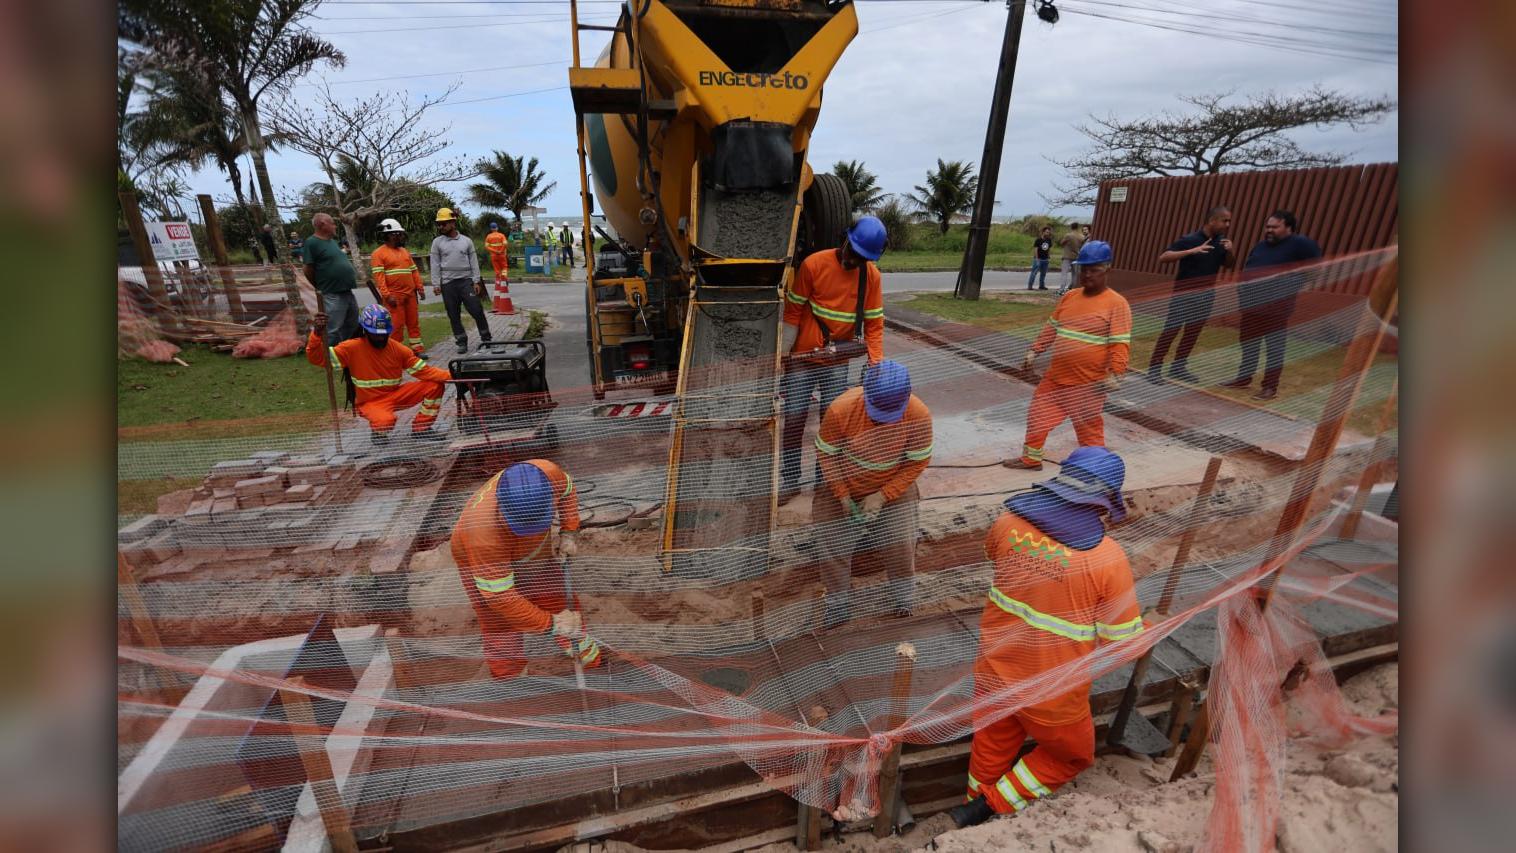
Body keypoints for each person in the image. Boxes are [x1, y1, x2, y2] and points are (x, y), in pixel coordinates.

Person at [949, 446, 1144, 828]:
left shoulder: (1007, 524)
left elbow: (995, 557)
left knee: (989, 749)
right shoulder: (1107, 559)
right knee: (1071, 757)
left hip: (994, 670)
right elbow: (1122, 641)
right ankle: (991, 807)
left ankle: (973, 806)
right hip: (1052, 693)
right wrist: (1150, 628)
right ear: (1102, 501)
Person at [450, 460, 602, 680]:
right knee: (500, 626)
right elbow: (501, 597)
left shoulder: (548, 474)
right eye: (522, 527)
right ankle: (512, 681)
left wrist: (569, 531)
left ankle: (592, 663)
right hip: (486, 562)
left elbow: (568, 490)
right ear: (501, 507)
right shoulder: (482, 537)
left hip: (535, 556)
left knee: (563, 608)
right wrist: (551, 623)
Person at [813, 360, 933, 628]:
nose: (881, 422)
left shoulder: (918, 415)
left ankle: (903, 598)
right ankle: (837, 606)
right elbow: (827, 455)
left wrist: (881, 496)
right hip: (845, 481)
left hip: (892, 485)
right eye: (877, 414)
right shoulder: (841, 409)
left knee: (901, 542)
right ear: (865, 392)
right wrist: (843, 495)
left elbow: (916, 463)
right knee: (832, 545)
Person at [780, 215, 888, 498]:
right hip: (802, 361)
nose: (853, 261)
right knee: (793, 421)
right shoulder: (814, 265)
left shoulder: (871, 278)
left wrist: (875, 365)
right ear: (845, 238)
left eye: (862, 258)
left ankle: (823, 482)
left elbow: (875, 325)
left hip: (836, 364)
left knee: (832, 426)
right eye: (853, 252)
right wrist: (784, 354)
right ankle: (790, 481)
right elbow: (792, 313)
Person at [1005, 240, 1131, 470]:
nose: (1088, 275)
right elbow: (1051, 327)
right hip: (1055, 378)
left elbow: (1119, 344)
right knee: (1038, 416)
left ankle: (1096, 470)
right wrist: (1034, 350)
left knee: (1088, 429)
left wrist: (1116, 374)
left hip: (1088, 384)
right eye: (1084, 269)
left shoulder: (1117, 304)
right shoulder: (1070, 297)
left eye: (1094, 270)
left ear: (1107, 269)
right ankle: (1031, 459)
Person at [306, 304, 451, 444]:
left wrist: (455, 375)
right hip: (370, 402)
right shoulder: (351, 348)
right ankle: (378, 431)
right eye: (376, 335)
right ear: (365, 330)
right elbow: (318, 358)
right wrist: (317, 334)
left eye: (384, 334)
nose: (381, 338)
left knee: (434, 385)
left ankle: (421, 428)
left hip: (395, 395)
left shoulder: (399, 349)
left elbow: (426, 372)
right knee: (386, 421)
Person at [1220, 210, 1323, 400]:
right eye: (1268, 226)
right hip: (1252, 305)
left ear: (1289, 228)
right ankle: (1243, 378)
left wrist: (1291, 285)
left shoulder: (1302, 244)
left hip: (1276, 308)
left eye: (1274, 227)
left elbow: (1315, 270)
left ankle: (1270, 387)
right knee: (1249, 343)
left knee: (1274, 347)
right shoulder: (1261, 246)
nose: (1269, 230)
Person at [1147, 205, 1235, 384]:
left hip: (1205, 296)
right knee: (1171, 331)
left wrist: (1230, 251)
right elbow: (1164, 257)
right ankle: (1155, 368)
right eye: (1224, 221)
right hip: (1183, 295)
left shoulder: (1221, 242)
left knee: (1192, 333)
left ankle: (1178, 367)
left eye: (1229, 221)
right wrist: (1191, 251)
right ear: (1212, 220)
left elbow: (1229, 265)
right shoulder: (1190, 239)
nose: (1227, 224)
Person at [429, 207, 493, 352]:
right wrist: (436, 283)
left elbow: (474, 262)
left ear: (453, 223)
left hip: (466, 282)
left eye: (444, 223)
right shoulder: (437, 243)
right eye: (439, 224)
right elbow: (435, 264)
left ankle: (486, 339)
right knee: (453, 314)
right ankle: (461, 341)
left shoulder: (466, 241)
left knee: (477, 310)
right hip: (447, 284)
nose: (441, 227)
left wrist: (476, 281)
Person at [370, 218, 427, 354]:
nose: (401, 236)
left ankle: (417, 350)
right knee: (396, 326)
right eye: (398, 234)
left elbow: (414, 271)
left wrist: (420, 288)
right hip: (394, 297)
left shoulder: (404, 252)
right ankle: (396, 352)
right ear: (390, 235)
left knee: (413, 323)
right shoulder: (378, 254)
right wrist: (387, 295)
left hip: (410, 295)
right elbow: (379, 278)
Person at [303, 212, 360, 345]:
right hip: (332, 293)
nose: (335, 226)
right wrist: (319, 286)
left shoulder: (332, 242)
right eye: (332, 223)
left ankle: (348, 354)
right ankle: (330, 358)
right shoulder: (312, 242)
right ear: (323, 225)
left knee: (352, 326)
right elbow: (307, 269)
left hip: (347, 291)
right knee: (332, 329)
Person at [1056, 222, 1085, 295]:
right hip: (1076, 256)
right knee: (1075, 274)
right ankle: (1074, 289)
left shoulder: (1068, 235)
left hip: (1067, 256)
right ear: (1077, 227)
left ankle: (1062, 289)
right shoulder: (1081, 236)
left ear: (1071, 227)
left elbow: (1062, 243)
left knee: (1064, 273)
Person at [1028, 226, 1053, 290]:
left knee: (1043, 274)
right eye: (1046, 232)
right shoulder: (1038, 240)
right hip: (1038, 259)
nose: (1048, 234)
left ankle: (1041, 285)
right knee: (1034, 273)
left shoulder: (1049, 240)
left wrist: (1048, 257)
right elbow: (1035, 249)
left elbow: (1049, 249)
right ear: (1043, 232)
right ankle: (1030, 286)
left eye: (1048, 232)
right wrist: (1037, 258)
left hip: (1045, 259)